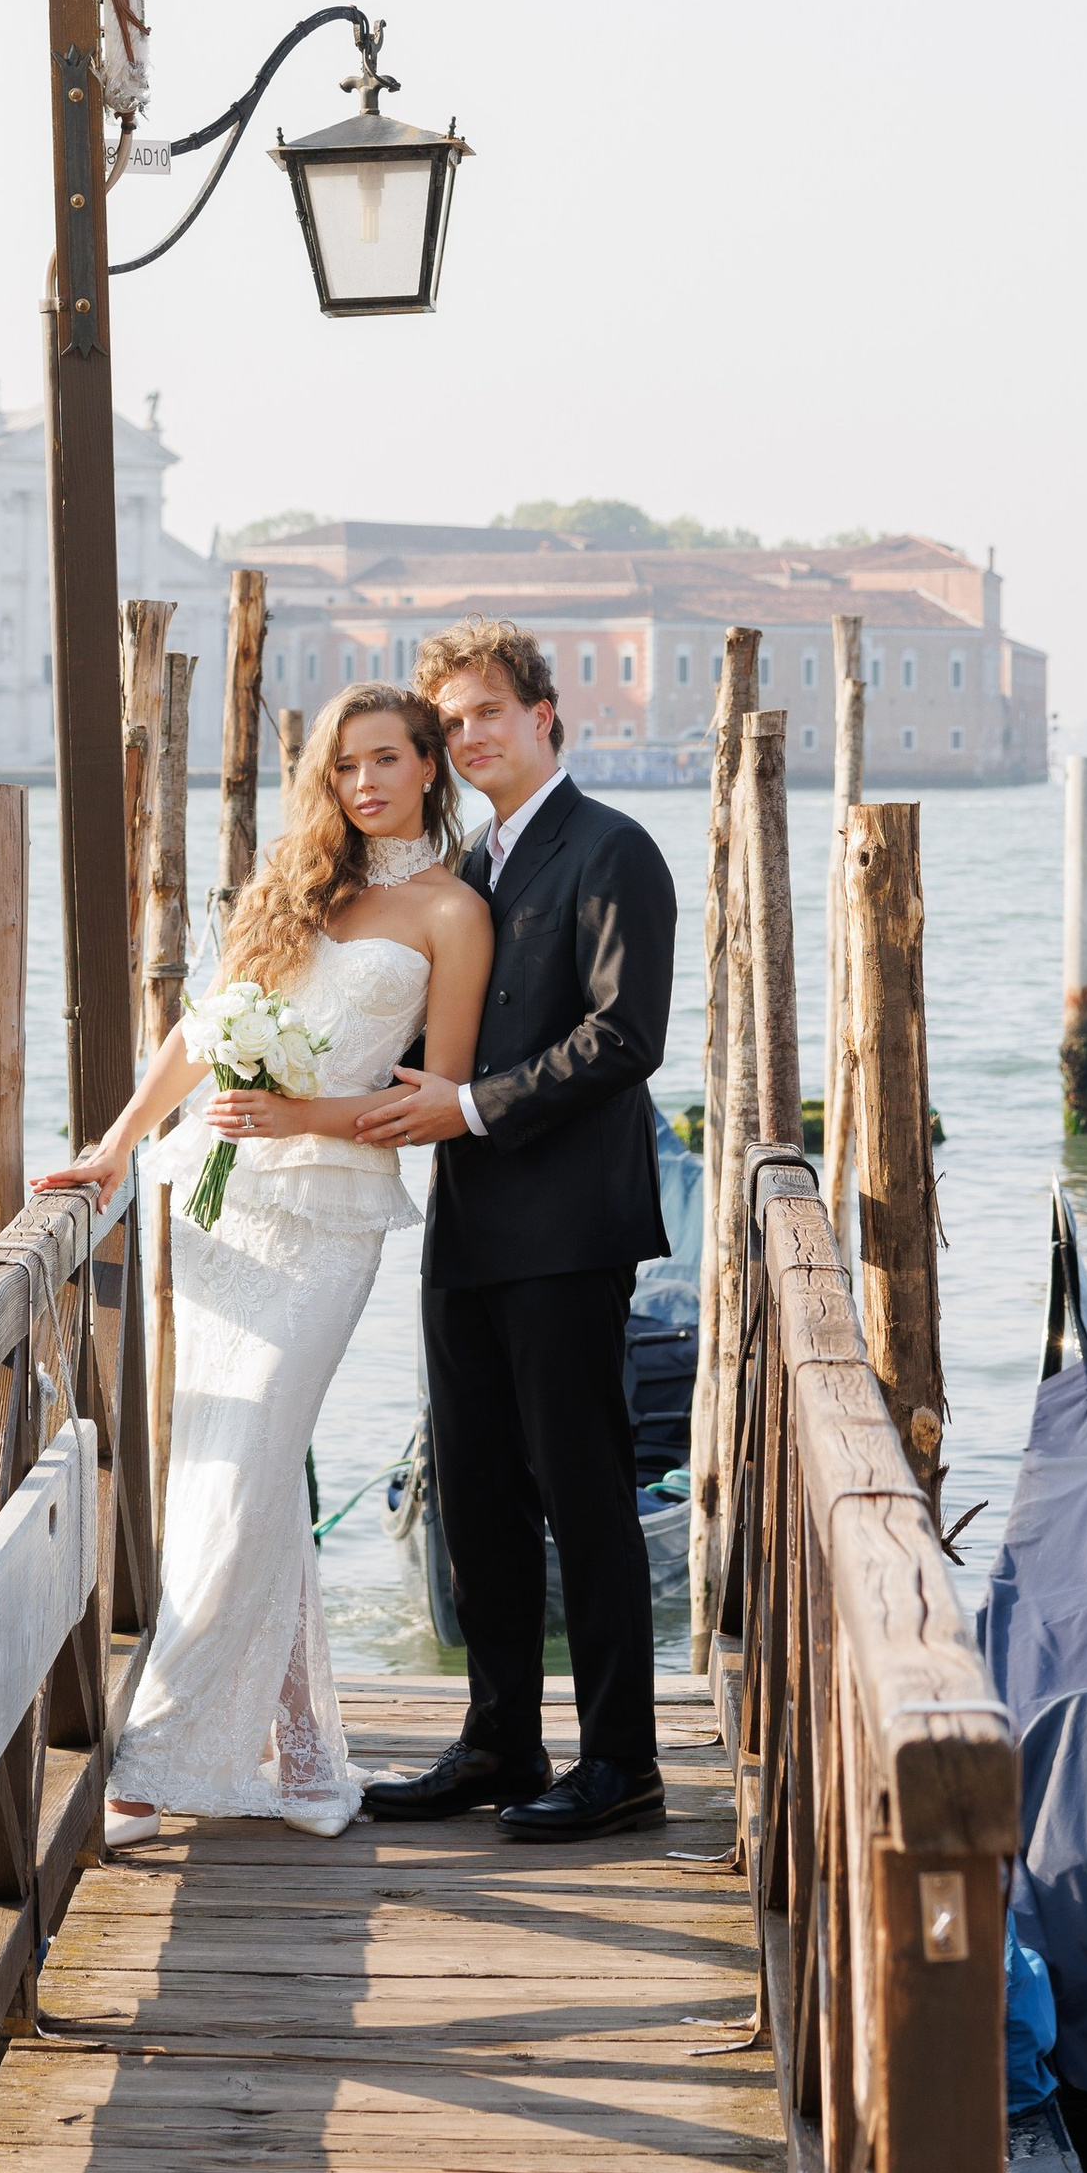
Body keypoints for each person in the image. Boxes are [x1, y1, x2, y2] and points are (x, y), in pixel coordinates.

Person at [33, 685, 490, 1841]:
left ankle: (155, 1756)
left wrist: (305, 1119)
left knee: (242, 1479)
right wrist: (113, 1148)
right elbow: (200, 1032)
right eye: (344, 767)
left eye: (387, 759)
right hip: (217, 1209)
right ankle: (295, 1761)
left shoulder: (453, 912)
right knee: (231, 1469)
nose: (365, 784)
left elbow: (432, 1102)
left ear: (430, 765)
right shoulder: (290, 885)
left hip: (331, 1213)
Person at [353, 620, 677, 1842]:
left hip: (569, 1226)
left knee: (582, 1489)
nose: (469, 735)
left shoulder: (614, 849)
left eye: (488, 711)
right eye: (452, 721)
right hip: (468, 1224)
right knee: (476, 1492)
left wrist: (472, 1104)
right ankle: (497, 1739)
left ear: (549, 717)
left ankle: (624, 1764)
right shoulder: (468, 871)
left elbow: (624, 1035)